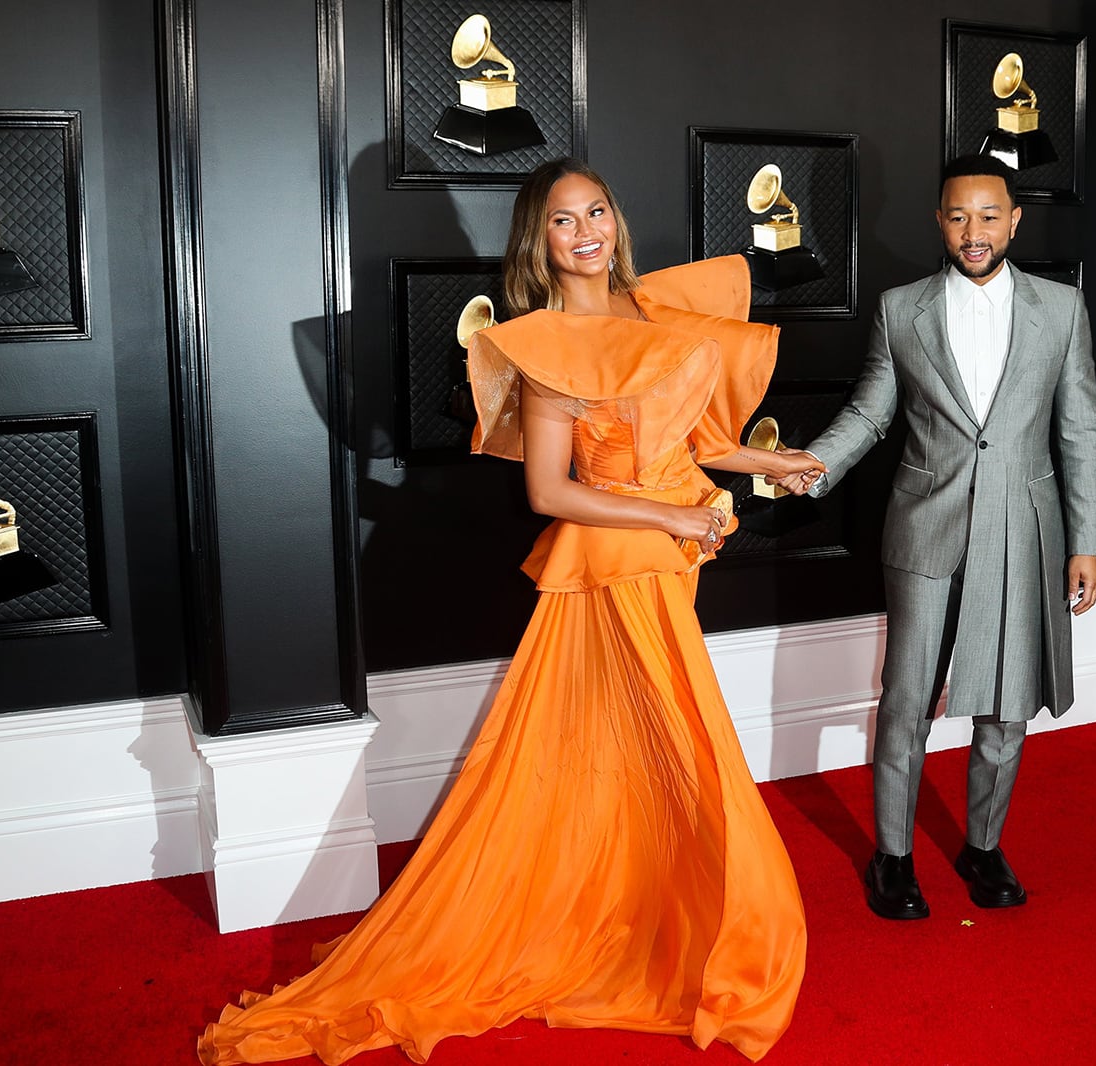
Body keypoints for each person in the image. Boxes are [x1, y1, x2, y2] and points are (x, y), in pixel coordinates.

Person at [197, 157, 819, 1065]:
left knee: (625, 744)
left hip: (671, 555)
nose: (586, 232)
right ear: (540, 243)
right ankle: (705, 924)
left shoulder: (653, 311)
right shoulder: (546, 346)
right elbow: (550, 491)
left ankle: (636, 910)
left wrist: (771, 464)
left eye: (597, 210)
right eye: (563, 222)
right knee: (687, 745)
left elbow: (697, 439)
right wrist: (670, 514)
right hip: (618, 564)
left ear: (616, 218)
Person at [775, 153, 1096, 920]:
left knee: (1008, 701)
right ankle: (891, 856)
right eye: (958, 216)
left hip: (1026, 528)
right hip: (927, 525)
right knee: (907, 695)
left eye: (989, 215)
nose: (974, 231)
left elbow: (1080, 430)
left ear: (1015, 220)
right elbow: (870, 412)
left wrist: (1087, 539)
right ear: (940, 220)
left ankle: (981, 846)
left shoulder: (1061, 310)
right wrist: (812, 465)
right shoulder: (902, 309)